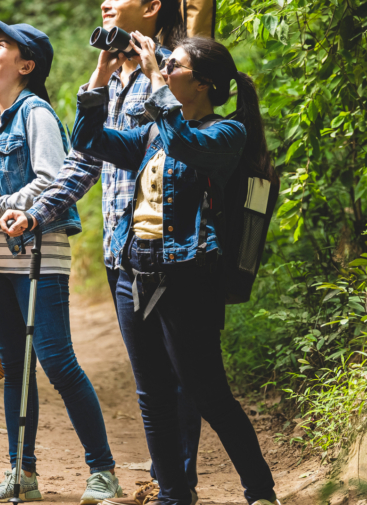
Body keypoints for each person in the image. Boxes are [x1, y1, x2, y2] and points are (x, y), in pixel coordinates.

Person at [0, 0, 203, 505]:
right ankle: (169, 485)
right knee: (149, 381)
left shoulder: (177, 69)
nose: (106, 2)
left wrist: (156, 71)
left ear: (152, 7)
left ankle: (179, 485)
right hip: (120, 250)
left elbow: (187, 140)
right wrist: (37, 214)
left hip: (170, 249)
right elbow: (83, 163)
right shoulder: (111, 79)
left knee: (183, 375)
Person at [70, 33, 279, 505]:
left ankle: (260, 490)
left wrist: (152, 82)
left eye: (174, 65)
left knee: (206, 392)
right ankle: (173, 494)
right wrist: (100, 78)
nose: (163, 70)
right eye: (163, 65)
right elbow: (88, 139)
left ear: (204, 83)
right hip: (133, 273)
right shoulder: (151, 133)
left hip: (187, 276)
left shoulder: (225, 134)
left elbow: (185, 145)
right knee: (153, 396)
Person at [0, 16, 123, 504]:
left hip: (38, 259)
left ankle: (103, 472)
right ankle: (21, 472)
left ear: (26, 64)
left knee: (57, 360)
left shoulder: (36, 113)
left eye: (2, 45)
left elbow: (51, 178)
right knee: (14, 367)